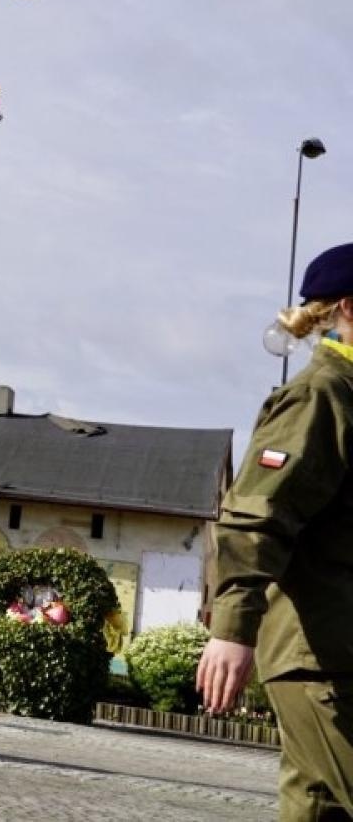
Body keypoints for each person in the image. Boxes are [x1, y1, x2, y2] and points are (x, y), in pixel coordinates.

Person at [198, 242, 353, 820]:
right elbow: (259, 514)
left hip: (335, 655)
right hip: (322, 659)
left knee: (315, 808)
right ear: (349, 309)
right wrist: (232, 629)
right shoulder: (320, 397)